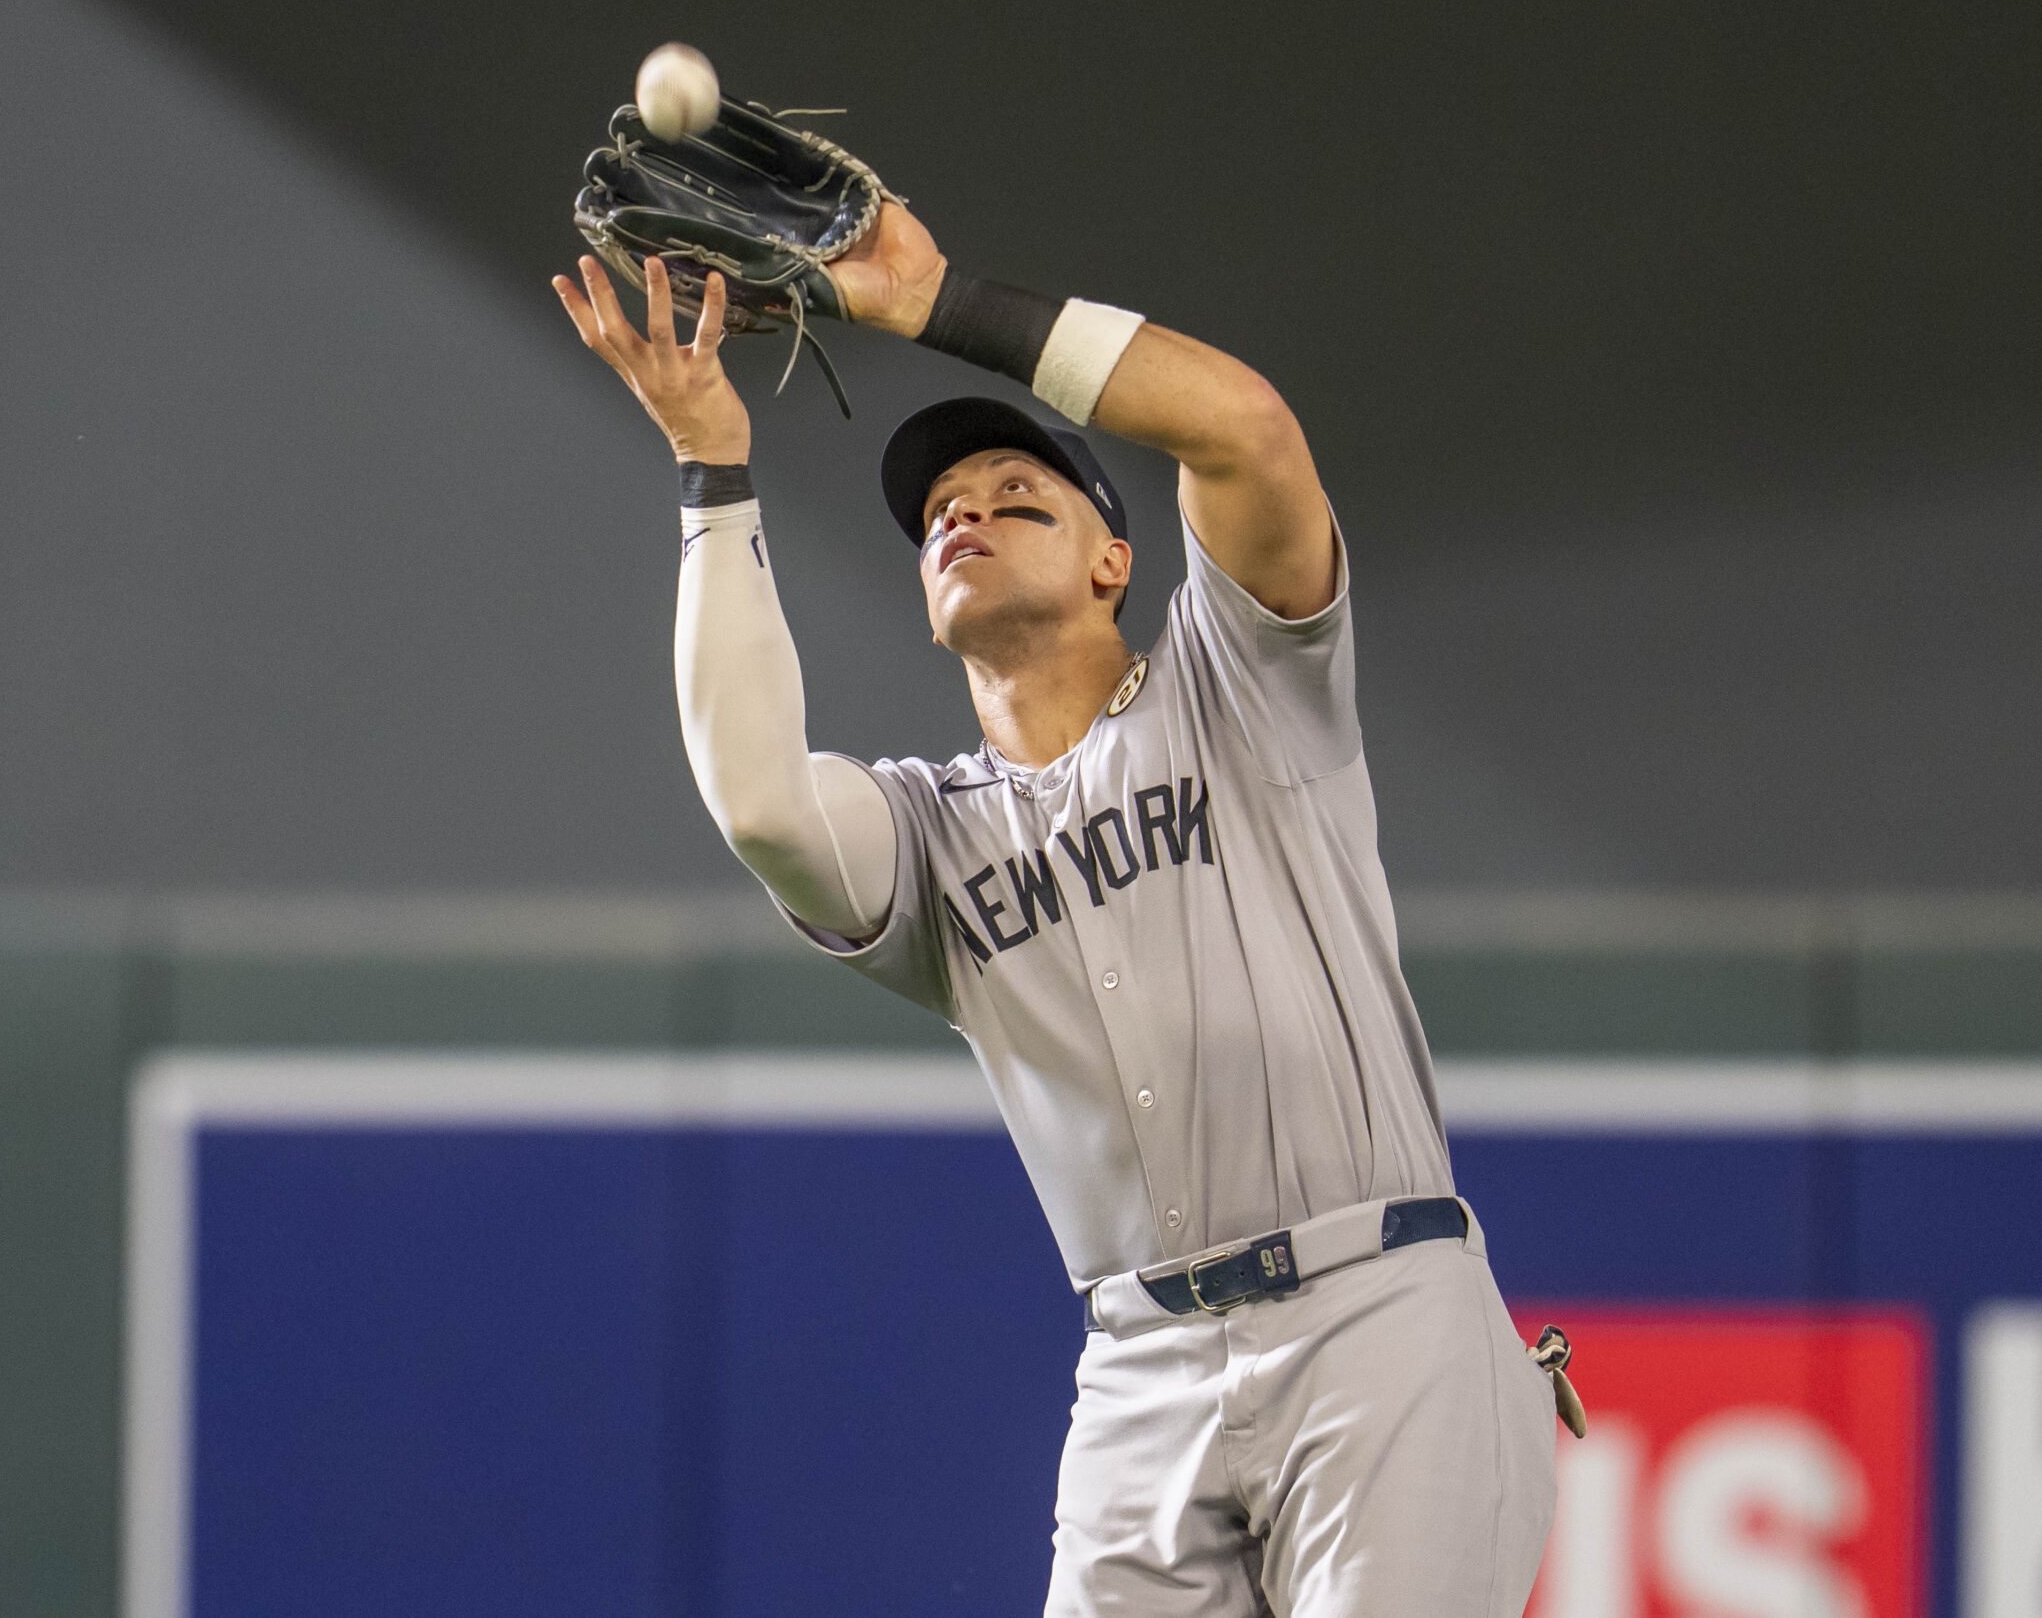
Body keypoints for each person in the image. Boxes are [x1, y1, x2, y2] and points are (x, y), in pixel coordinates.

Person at [552, 199, 1557, 1616]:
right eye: (941, 513)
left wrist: (939, 301)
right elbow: (763, 804)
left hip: (1375, 1310)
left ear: (1115, 562)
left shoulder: (1242, 684)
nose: (966, 506)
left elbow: (1247, 430)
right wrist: (714, 468)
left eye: (1020, 490)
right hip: (1141, 1366)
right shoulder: (929, 834)